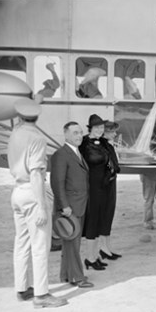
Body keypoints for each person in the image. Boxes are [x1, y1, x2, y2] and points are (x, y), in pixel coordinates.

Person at [7, 98, 68, 308]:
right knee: (40, 246)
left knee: (21, 243)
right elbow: (35, 174)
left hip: (17, 191)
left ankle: (22, 289)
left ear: (20, 116)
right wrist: (43, 207)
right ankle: (41, 295)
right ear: (37, 116)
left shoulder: (15, 133)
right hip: (33, 192)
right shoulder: (36, 138)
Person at [50, 122, 93, 288]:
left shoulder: (76, 152)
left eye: (80, 132)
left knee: (70, 243)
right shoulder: (61, 154)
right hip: (70, 207)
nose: (79, 136)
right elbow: (57, 183)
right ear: (65, 134)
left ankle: (67, 275)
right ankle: (77, 277)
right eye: (75, 133)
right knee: (72, 244)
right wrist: (64, 206)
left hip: (78, 204)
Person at [79, 114, 120, 270]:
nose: (99, 130)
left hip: (106, 184)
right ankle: (90, 257)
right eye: (96, 128)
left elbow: (112, 159)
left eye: (101, 128)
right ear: (90, 128)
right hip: (93, 186)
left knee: (105, 215)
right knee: (93, 220)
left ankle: (98, 253)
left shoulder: (104, 143)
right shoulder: (84, 144)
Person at [99, 121, 122, 260]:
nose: (114, 134)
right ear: (105, 132)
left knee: (108, 215)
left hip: (110, 182)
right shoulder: (102, 147)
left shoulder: (107, 146)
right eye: (112, 131)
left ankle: (106, 247)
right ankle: (103, 247)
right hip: (105, 183)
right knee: (104, 215)